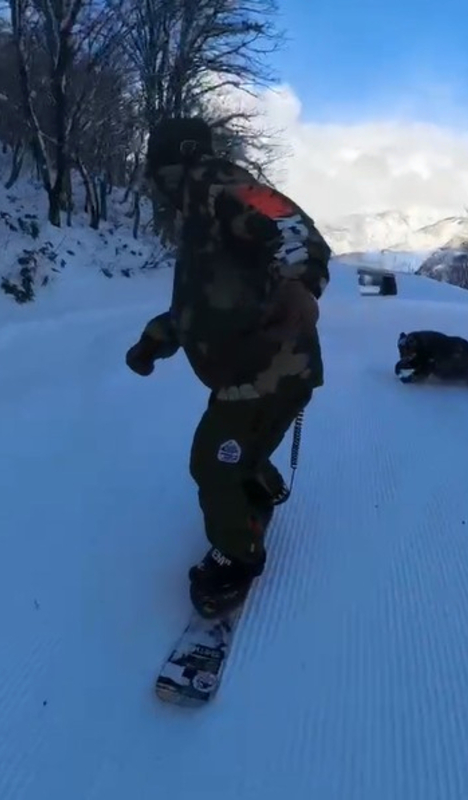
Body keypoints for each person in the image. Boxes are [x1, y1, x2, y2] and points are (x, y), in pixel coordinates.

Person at [125, 117, 331, 618]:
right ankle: (256, 481)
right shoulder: (199, 214)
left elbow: (292, 227)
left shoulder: (219, 183)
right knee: (238, 453)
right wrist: (157, 338)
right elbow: (202, 303)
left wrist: (297, 283)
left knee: (212, 463)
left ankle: (236, 559)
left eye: (158, 170)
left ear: (175, 161)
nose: (155, 184)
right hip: (251, 371)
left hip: (268, 368)